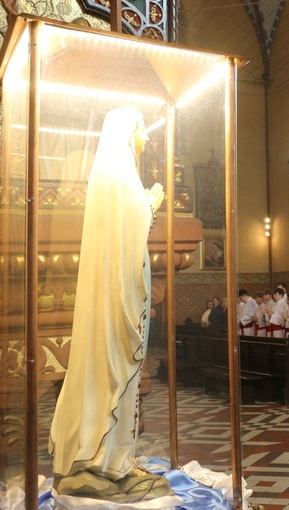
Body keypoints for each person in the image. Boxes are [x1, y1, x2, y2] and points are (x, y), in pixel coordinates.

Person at [48, 107, 173, 501]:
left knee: (123, 380)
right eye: (142, 130)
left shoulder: (116, 173)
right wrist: (151, 203)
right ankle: (99, 460)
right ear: (126, 131)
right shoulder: (118, 174)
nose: (147, 139)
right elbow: (130, 226)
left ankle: (116, 460)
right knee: (112, 376)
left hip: (123, 285)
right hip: (117, 295)